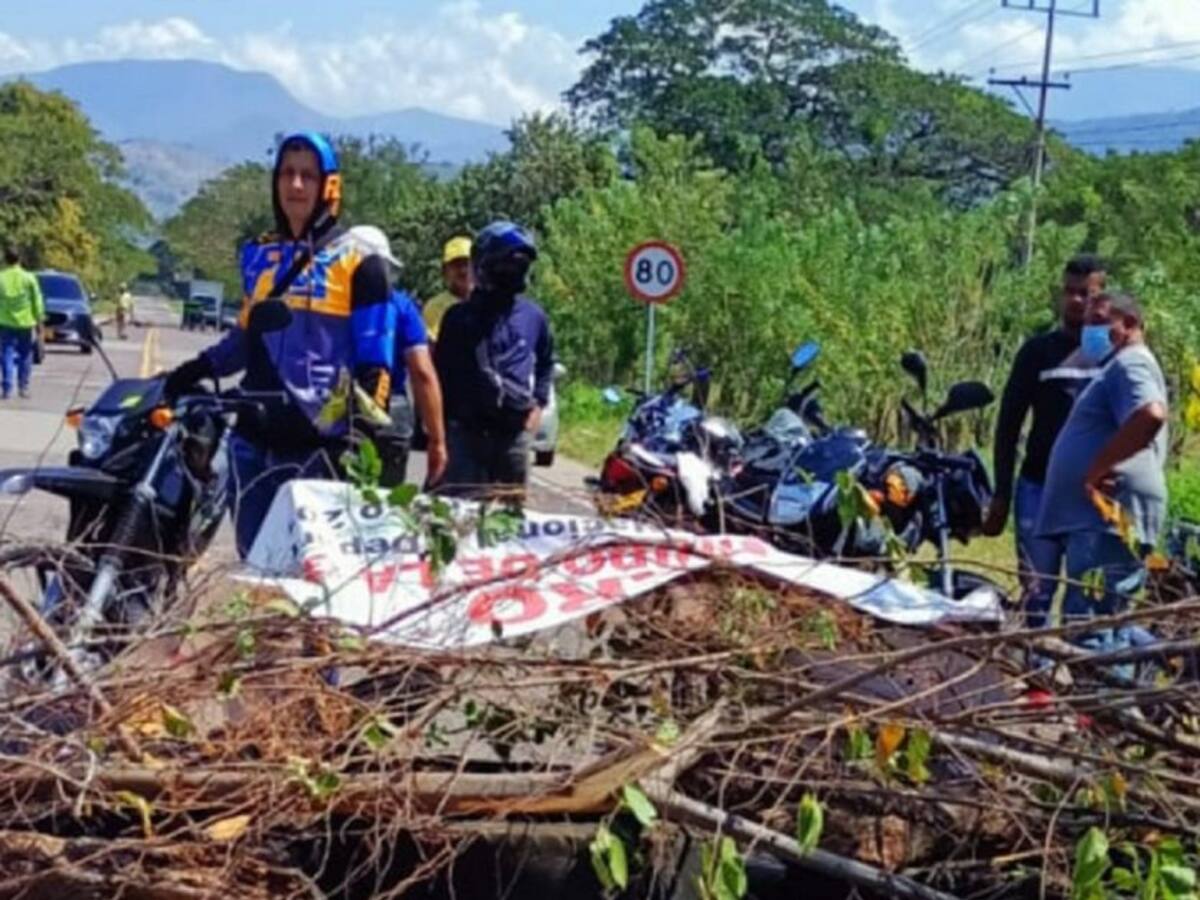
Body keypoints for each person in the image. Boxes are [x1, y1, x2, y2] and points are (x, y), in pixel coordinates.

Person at [164, 132, 395, 558]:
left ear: (329, 186)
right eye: (287, 173)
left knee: (308, 578)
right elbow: (243, 342)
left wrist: (353, 436)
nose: (295, 186)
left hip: (318, 451)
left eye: (308, 175)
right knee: (256, 565)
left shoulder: (361, 262)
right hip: (252, 441)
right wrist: (188, 373)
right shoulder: (259, 255)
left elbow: (376, 367)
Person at [1037, 292, 1168, 655]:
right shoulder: (1119, 367)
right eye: (1088, 323)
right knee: (1107, 624)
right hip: (1099, 518)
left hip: (1105, 517)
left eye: (1100, 322)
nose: (1089, 330)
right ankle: (1115, 699)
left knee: (1091, 628)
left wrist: (1097, 469)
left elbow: (1150, 415)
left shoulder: (1130, 364)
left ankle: (1103, 708)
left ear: (1129, 325)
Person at [983, 255, 1107, 628]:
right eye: (1069, 292)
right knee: (1037, 593)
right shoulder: (1036, 352)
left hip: (1093, 496)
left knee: (1084, 598)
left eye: (1085, 293)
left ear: (1102, 296)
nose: (1075, 301)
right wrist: (1001, 493)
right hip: (1038, 489)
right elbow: (1008, 426)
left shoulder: (1113, 355)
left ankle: (1083, 679)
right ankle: (1037, 678)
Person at [434, 221, 553, 501]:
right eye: (507, 266)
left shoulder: (533, 317)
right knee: (460, 517)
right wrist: (439, 434)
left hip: (513, 434)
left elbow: (546, 362)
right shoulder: (458, 317)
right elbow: (440, 376)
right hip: (466, 435)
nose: (513, 273)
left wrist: (538, 404)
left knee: (511, 523)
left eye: (520, 267)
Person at [345, 225, 448, 487]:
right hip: (391, 412)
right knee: (382, 509)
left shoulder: (328, 303)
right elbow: (422, 373)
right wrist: (437, 440)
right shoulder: (402, 306)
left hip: (337, 410)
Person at [0, 248, 45, 400]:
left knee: (6, 354)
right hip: (25, 323)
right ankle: (23, 387)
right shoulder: (29, 278)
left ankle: (7, 388)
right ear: (19, 259)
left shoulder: (1, 278)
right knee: (25, 355)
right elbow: (36, 301)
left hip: (5, 322)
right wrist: (39, 321)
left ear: (5, 260)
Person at [422, 236, 472, 343]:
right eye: (456, 265)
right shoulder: (434, 307)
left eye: (466, 263)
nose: (463, 270)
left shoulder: (490, 302)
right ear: (445, 271)